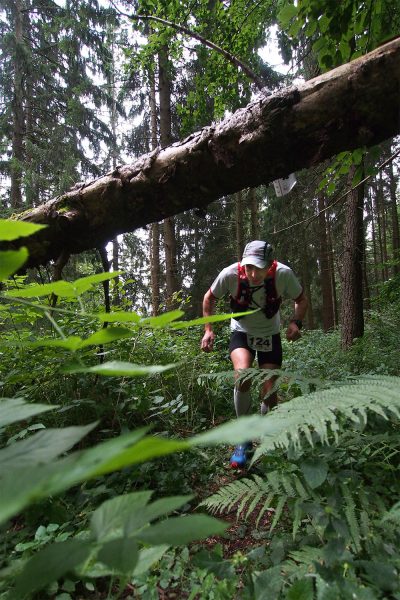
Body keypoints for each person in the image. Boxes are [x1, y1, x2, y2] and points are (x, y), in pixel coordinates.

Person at [200, 240, 308, 468]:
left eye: (259, 267)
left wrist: (296, 322)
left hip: (270, 334)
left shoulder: (283, 274)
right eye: (249, 266)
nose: (252, 273)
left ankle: (266, 437)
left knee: (270, 390)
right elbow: (209, 298)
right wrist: (208, 330)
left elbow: (301, 299)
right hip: (242, 332)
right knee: (244, 376)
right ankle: (244, 440)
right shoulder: (229, 274)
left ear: (270, 265)